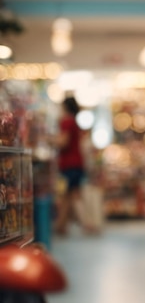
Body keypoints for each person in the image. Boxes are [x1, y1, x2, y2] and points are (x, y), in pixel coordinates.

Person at [54, 95, 92, 235]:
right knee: (73, 195)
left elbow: (63, 142)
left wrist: (51, 140)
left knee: (66, 195)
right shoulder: (74, 122)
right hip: (76, 164)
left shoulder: (66, 121)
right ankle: (83, 224)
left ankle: (63, 226)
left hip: (68, 165)